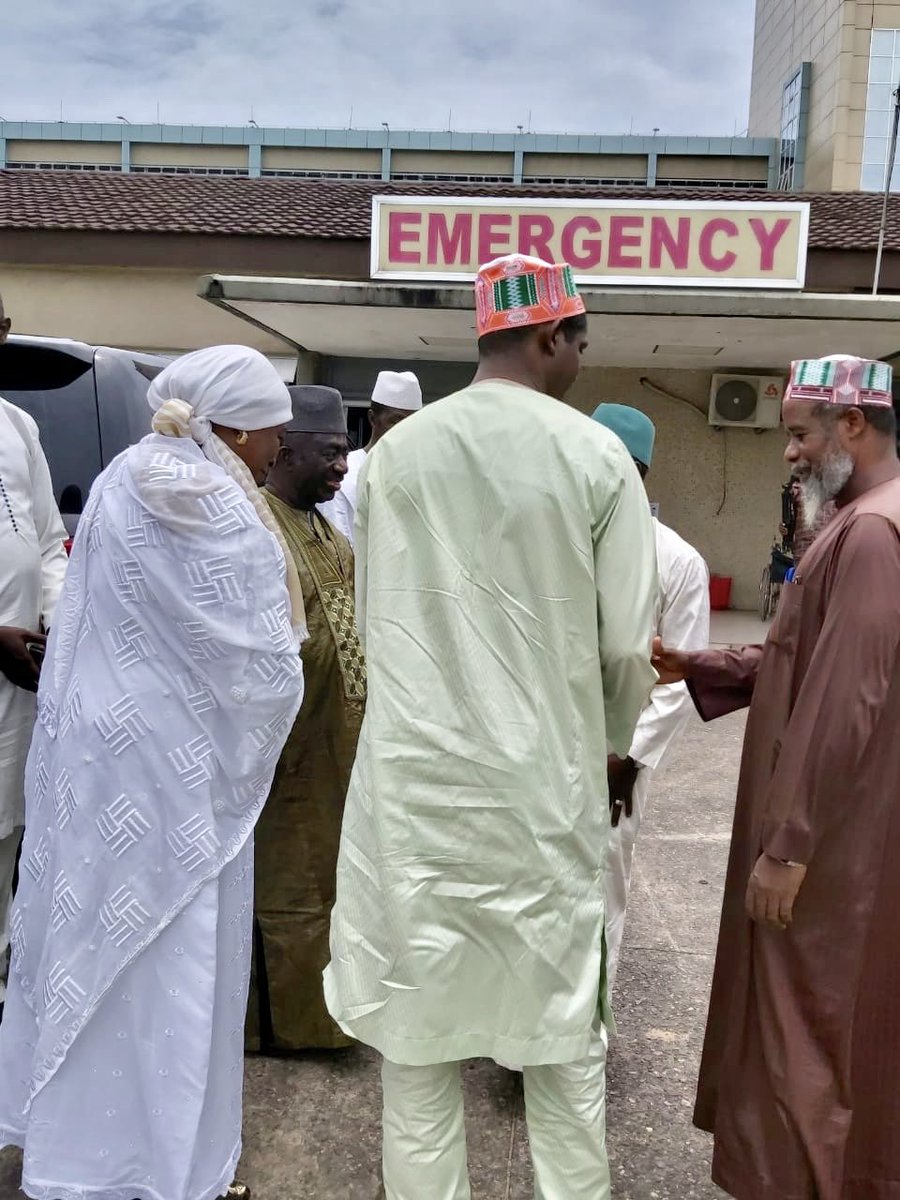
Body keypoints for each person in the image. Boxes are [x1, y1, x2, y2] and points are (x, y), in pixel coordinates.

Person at [324, 253, 658, 1200]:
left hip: (414, 801)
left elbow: (376, 609)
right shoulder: (593, 456)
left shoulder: (391, 457)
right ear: (550, 335)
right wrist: (603, 744)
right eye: (581, 345)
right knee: (558, 1052)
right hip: (537, 803)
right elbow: (628, 647)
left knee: (418, 1051)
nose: (581, 364)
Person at [0, 345, 305, 1200]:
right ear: (237, 427)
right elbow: (257, 653)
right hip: (176, 776)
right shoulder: (202, 494)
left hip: (104, 759)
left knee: (93, 940)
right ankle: (157, 1165)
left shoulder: (128, 472)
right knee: (170, 958)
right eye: (273, 429)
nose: (279, 445)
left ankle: (80, 1150)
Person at [653, 354, 900, 1200]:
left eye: (799, 433)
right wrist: (705, 663)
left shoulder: (872, 532)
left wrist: (787, 845)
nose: (789, 453)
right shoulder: (860, 519)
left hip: (831, 841)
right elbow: (809, 652)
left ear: (854, 426)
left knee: (803, 1023)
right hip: (848, 829)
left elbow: (846, 698)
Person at [248, 385, 366, 1052]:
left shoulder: (331, 535)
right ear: (284, 449)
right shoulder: (257, 527)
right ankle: (279, 1030)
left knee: (330, 885)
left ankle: (323, 1016)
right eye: (330, 452)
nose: (343, 466)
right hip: (287, 751)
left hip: (338, 743)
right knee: (286, 884)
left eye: (346, 452)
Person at [591, 404, 710, 992]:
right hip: (541, 744)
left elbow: (680, 677)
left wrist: (626, 758)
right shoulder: (557, 538)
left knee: (603, 881)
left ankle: (588, 1037)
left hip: (618, 761)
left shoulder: (678, 560)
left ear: (635, 470)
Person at [0, 291, 69, 1009]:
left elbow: (49, 541)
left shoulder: (17, 425)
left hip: (20, 686)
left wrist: (59, 622)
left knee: (10, 841)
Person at [318, 369, 422, 543]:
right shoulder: (345, 473)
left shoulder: (418, 475)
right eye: (396, 421)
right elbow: (340, 545)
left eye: (412, 423)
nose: (404, 430)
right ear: (372, 419)